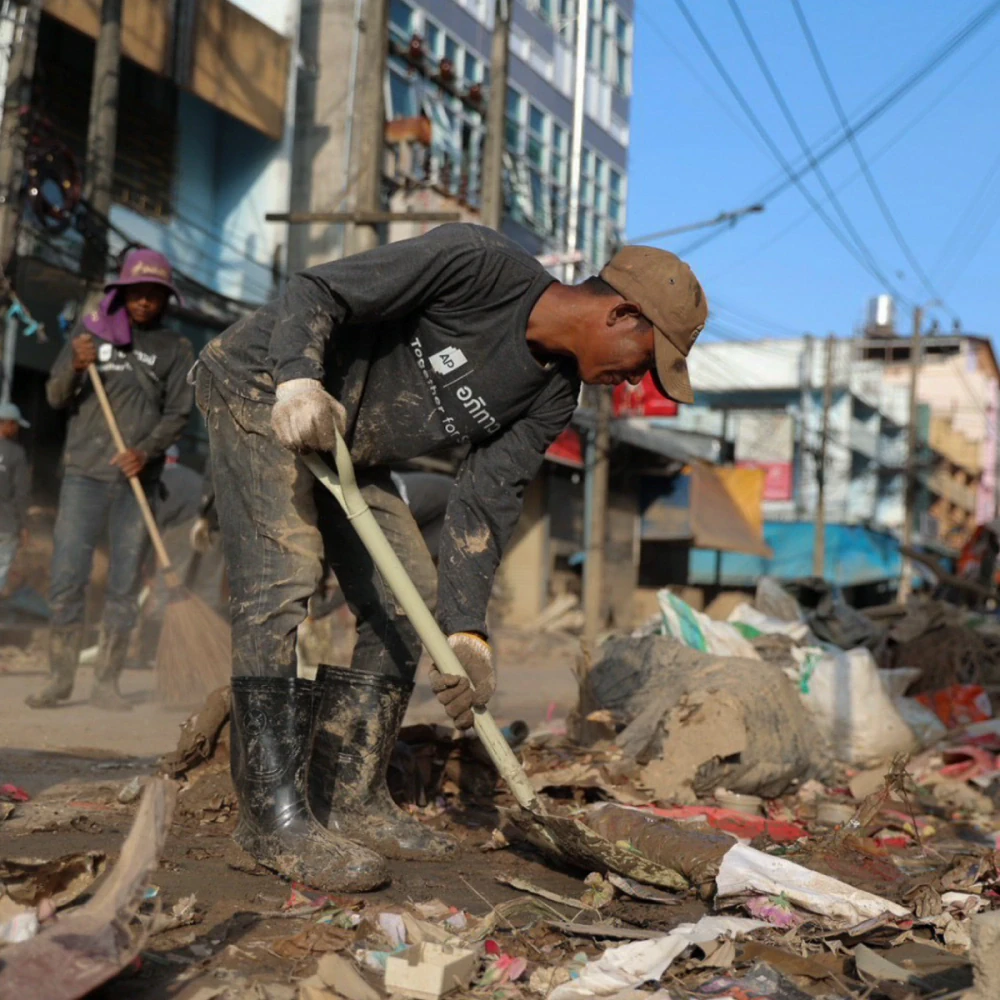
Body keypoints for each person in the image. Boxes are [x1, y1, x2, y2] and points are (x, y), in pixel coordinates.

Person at [194, 224, 707, 892]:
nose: (639, 378)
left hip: (348, 446)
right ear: (620, 313)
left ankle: (350, 796)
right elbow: (316, 289)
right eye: (648, 356)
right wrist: (297, 382)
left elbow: (484, 503)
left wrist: (466, 631)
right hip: (261, 387)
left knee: (410, 597)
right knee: (284, 575)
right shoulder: (478, 265)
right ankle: (270, 818)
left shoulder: (553, 395)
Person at [27, 248, 194, 711]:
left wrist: (146, 451)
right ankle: (60, 679)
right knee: (67, 575)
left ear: (164, 300)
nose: (144, 303)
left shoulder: (174, 349)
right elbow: (56, 397)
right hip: (83, 474)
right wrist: (74, 367)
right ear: (122, 292)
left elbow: (180, 412)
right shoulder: (91, 334)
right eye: (137, 293)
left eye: (154, 296)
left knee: (123, 583)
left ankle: (106, 682)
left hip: (135, 483)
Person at [0, 402, 32, 594]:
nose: (17, 429)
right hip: (5, 524)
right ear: (8, 424)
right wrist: (24, 525)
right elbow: (21, 493)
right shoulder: (16, 453)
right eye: (16, 425)